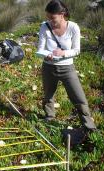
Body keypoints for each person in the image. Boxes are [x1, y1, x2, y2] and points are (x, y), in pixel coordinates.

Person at [38, 0, 97, 131]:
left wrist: (63, 53)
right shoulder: (44, 26)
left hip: (67, 68)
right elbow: (40, 49)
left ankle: (89, 126)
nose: (50, 21)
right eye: (48, 17)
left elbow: (77, 50)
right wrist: (45, 55)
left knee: (79, 97)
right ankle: (49, 118)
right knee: (48, 95)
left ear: (62, 14)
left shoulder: (73, 27)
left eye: (52, 18)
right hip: (48, 66)